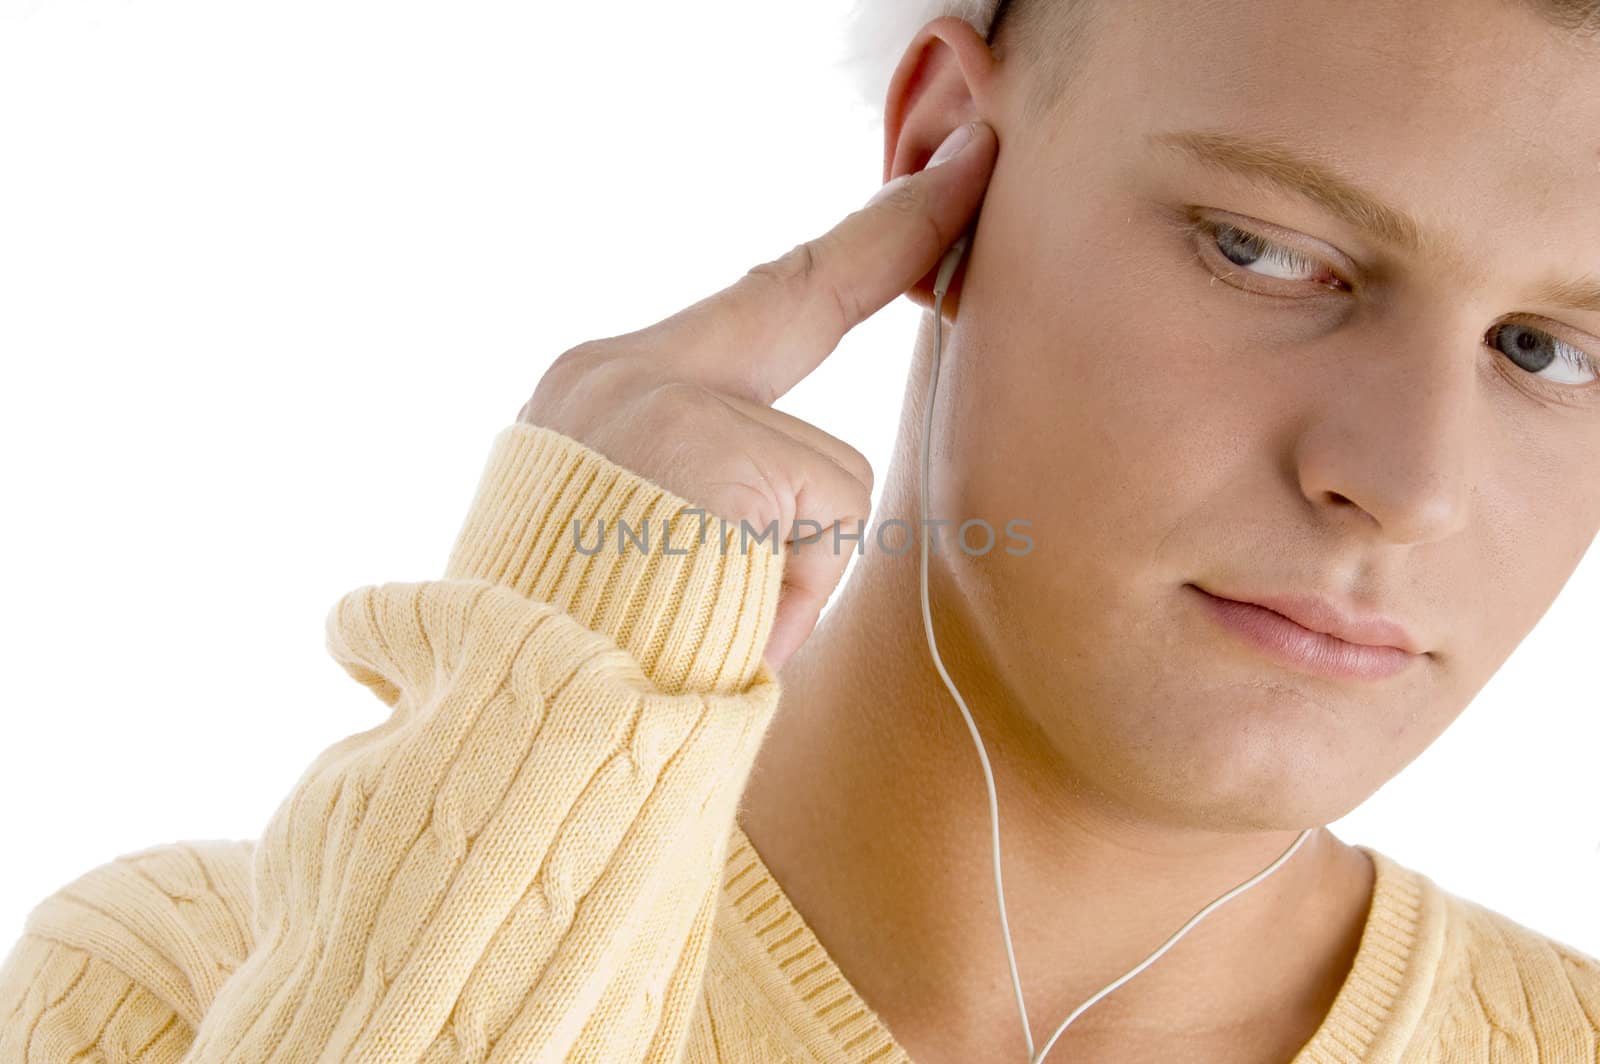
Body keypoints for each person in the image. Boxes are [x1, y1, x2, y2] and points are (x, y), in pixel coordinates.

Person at [3, 0, 1599, 1059]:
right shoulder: (179, 994)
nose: (1405, 482)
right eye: (1263, 250)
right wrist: (578, 680)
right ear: (940, 166)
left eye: (1553, 350)